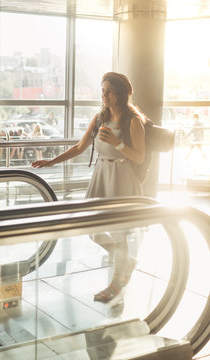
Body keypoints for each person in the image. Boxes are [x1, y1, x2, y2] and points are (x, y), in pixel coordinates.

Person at [32, 72, 144, 303]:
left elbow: (139, 157)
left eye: (109, 91)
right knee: (93, 229)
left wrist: (117, 143)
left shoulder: (133, 121)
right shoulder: (100, 118)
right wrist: (52, 161)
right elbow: (80, 147)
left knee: (119, 232)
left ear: (121, 93)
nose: (103, 95)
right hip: (102, 175)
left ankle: (116, 283)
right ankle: (126, 261)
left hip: (122, 177)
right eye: (102, 90)